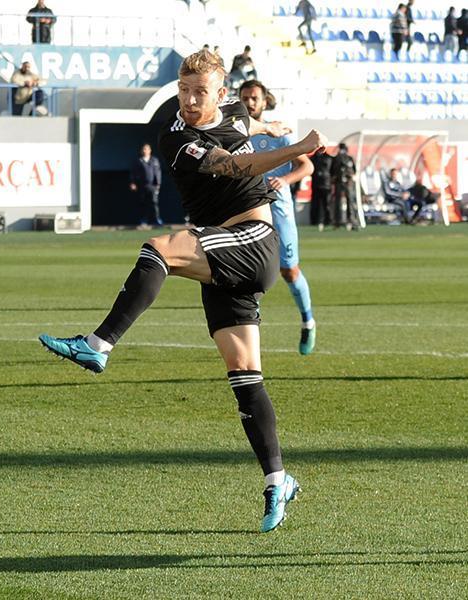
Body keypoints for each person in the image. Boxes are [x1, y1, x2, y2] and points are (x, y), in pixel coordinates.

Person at [39, 49, 328, 533]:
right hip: (226, 252)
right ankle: (278, 479)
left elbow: (248, 125)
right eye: (184, 91)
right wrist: (296, 145)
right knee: (245, 375)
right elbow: (235, 166)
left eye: (200, 92)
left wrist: (271, 128)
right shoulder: (177, 139)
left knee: (159, 249)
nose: (190, 101)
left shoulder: (234, 111)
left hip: (252, 240)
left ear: (221, 93)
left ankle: (98, 345)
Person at [240, 80, 317, 355]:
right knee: (249, 272)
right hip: (248, 211)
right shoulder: (235, 135)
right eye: (245, 97)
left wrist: (285, 179)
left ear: (264, 101)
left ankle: (308, 321)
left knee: (289, 270)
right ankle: (247, 333)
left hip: (279, 211)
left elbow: (307, 166)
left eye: (254, 98)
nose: (250, 102)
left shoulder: (279, 133)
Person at [129, 143, 162, 228]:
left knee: (154, 203)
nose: (145, 151)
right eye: (143, 149)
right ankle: (143, 221)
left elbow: (158, 172)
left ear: (150, 150)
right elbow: (133, 173)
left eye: (147, 149)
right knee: (143, 203)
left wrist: (158, 184)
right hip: (142, 186)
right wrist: (133, 183)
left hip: (153, 186)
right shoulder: (138, 161)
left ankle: (157, 220)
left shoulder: (154, 160)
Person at [331, 142, 358, 230]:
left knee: (350, 201)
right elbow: (332, 171)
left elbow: (354, 170)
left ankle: (351, 220)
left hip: (348, 182)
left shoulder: (349, 158)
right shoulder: (336, 158)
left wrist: (349, 176)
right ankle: (338, 221)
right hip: (339, 182)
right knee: (338, 202)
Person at [310, 151, 333, 230]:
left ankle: (328, 220)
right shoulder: (313, 158)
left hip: (326, 185)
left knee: (327, 204)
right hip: (316, 184)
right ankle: (315, 221)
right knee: (315, 204)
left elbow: (332, 171)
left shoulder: (328, 158)